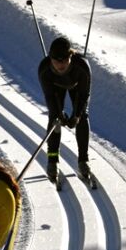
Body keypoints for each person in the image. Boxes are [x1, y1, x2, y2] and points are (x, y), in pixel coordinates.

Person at [38, 36, 92, 182]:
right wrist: (58, 115)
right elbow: (50, 97)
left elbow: (83, 95)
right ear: (50, 59)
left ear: (71, 56)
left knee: (82, 117)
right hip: (55, 88)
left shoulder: (82, 67)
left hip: (76, 86)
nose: (60, 65)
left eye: (64, 61)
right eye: (56, 61)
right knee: (54, 119)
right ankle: (52, 160)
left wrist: (77, 115)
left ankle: (83, 160)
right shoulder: (44, 70)